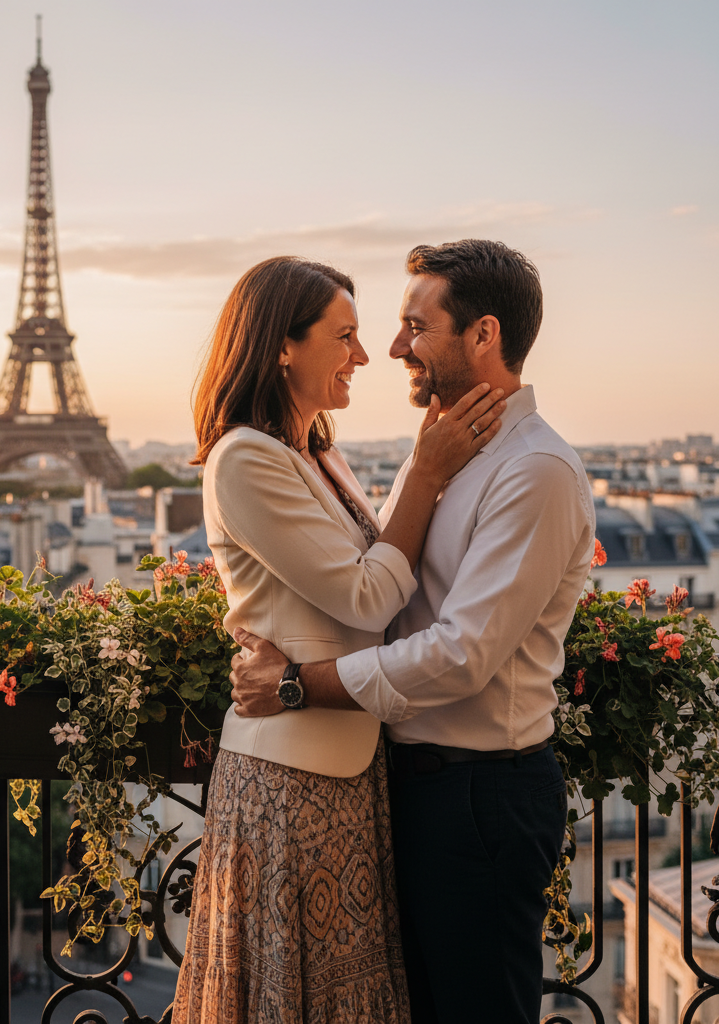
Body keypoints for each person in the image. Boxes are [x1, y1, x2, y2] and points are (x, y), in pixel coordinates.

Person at [229, 240, 596, 1024]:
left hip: (477, 795)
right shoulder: (444, 452)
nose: (391, 348)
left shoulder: (534, 472)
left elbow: (461, 654)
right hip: (410, 786)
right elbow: (384, 593)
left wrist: (298, 683)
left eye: (412, 326)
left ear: (483, 335)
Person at [173, 255, 505, 1023]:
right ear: (282, 345)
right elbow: (365, 599)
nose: (364, 355)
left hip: (345, 765)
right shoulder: (246, 458)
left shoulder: (315, 451)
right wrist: (425, 473)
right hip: (289, 775)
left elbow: (379, 573)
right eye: (345, 336)